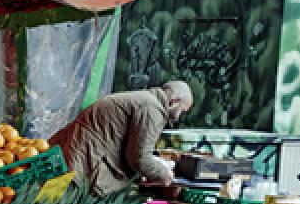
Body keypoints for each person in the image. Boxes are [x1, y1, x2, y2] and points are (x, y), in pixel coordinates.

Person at [49, 81, 194, 196]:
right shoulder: (152, 109)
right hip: (82, 161)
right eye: (182, 110)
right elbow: (139, 158)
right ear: (174, 101)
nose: (179, 116)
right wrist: (163, 174)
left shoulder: (145, 100)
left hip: (74, 152)